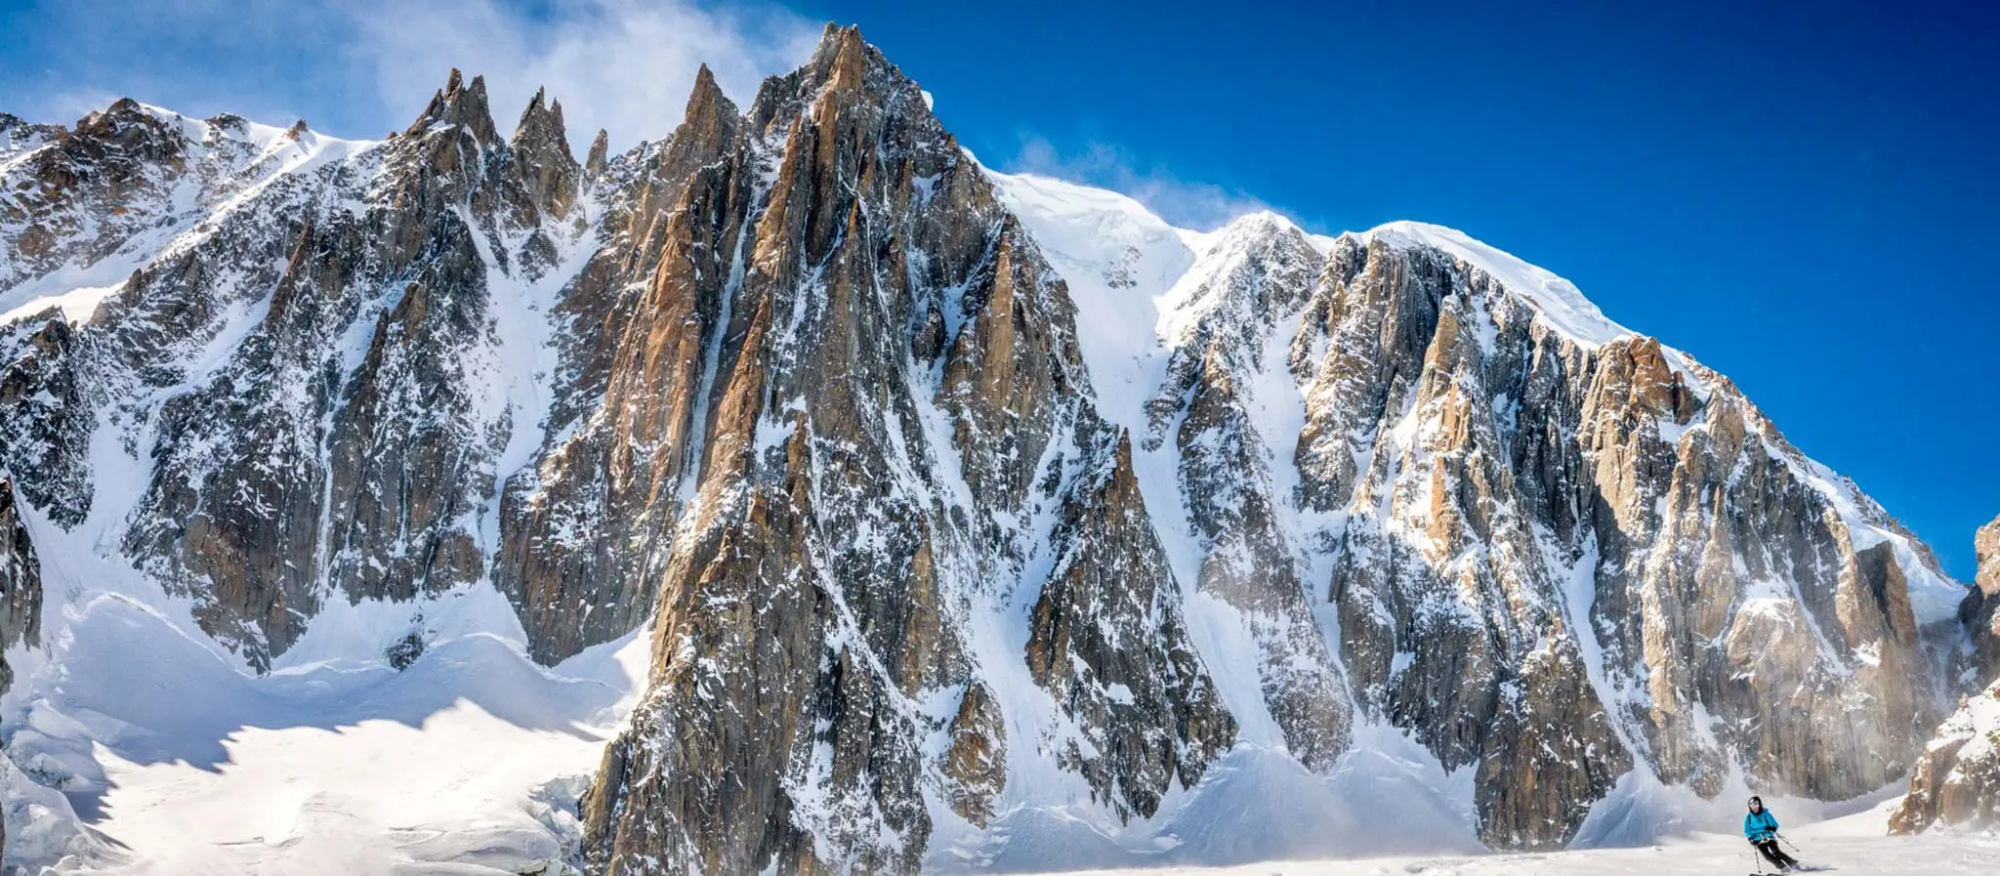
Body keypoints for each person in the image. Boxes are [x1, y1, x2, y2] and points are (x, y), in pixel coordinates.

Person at [1744, 796, 1798, 871]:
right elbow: (1747, 830)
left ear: (1759, 804)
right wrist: (1750, 838)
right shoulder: (1749, 817)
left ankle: (1791, 862)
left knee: (1776, 852)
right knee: (1767, 856)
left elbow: (1775, 824)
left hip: (1768, 836)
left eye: (1756, 804)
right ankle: (1782, 867)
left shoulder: (1766, 814)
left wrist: (1772, 828)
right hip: (1758, 839)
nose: (1754, 807)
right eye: (1751, 805)